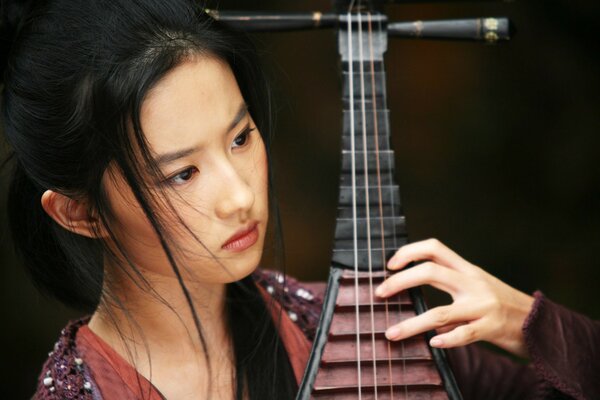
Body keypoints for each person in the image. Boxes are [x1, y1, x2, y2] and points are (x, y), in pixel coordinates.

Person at [1, 0, 598, 399]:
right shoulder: (84, 390)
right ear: (79, 212)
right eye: (181, 174)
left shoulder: (351, 333)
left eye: (240, 137)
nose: (239, 195)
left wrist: (527, 322)